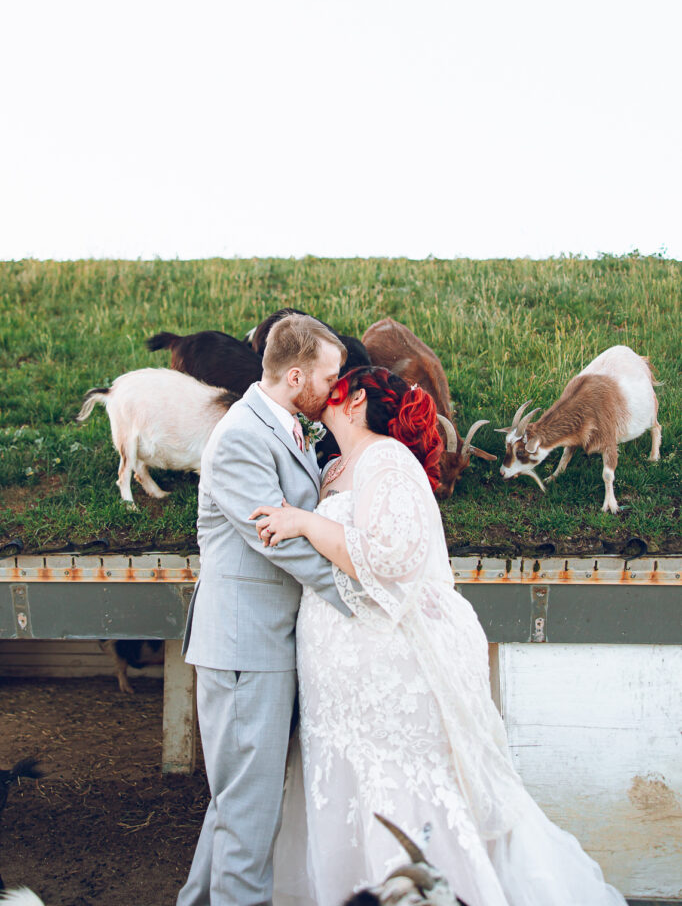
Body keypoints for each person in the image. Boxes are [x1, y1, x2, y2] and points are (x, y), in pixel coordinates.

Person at [251, 366, 628, 906]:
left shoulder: (387, 458)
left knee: (397, 787)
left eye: (335, 385)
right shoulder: (334, 467)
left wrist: (306, 523)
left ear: (355, 401)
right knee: (344, 785)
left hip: (387, 665)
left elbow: (393, 557)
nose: (324, 392)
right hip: (336, 674)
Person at [177, 314, 353, 906]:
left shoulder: (282, 425)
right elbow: (280, 542)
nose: (335, 388)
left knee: (236, 808)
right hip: (244, 649)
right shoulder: (240, 438)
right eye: (328, 377)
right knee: (248, 819)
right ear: (296, 376)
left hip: (263, 643)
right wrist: (359, 596)